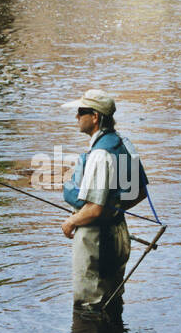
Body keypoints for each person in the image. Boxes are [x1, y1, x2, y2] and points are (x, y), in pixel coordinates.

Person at [59, 89, 146, 315]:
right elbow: (139, 193)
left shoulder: (100, 154)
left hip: (95, 241)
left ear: (95, 117)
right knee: (112, 302)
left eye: (80, 112)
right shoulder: (123, 143)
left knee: (89, 308)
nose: (76, 117)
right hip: (119, 235)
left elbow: (95, 209)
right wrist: (114, 210)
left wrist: (71, 222)